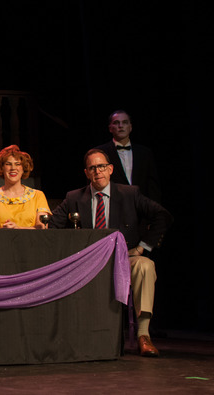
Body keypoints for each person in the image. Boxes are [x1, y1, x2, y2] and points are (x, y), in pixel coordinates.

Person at [49, 148, 173, 357]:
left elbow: (162, 215)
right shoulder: (74, 197)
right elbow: (52, 226)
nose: (98, 171)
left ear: (111, 169)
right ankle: (79, 335)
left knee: (145, 266)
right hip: (88, 262)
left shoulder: (129, 193)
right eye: (92, 168)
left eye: (102, 166)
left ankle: (143, 335)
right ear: (86, 173)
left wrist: (143, 247)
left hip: (124, 258)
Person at [0, 144, 51, 229]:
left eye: (17, 164)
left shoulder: (37, 196)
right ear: (2, 168)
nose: (13, 168)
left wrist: (17, 228)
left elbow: (42, 228)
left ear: (23, 168)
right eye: (8, 164)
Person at [96, 110, 161, 202]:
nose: (121, 126)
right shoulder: (100, 153)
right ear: (110, 128)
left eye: (125, 122)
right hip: (114, 204)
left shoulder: (145, 153)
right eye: (116, 123)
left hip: (141, 205)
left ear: (130, 127)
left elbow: (152, 186)